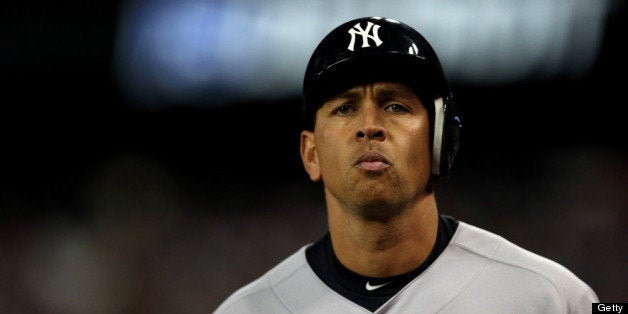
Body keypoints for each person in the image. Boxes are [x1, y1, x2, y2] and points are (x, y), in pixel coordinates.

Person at [214, 16, 598, 313]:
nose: (369, 126)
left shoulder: (551, 297)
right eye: (344, 109)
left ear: (441, 141)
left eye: (395, 106)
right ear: (311, 153)